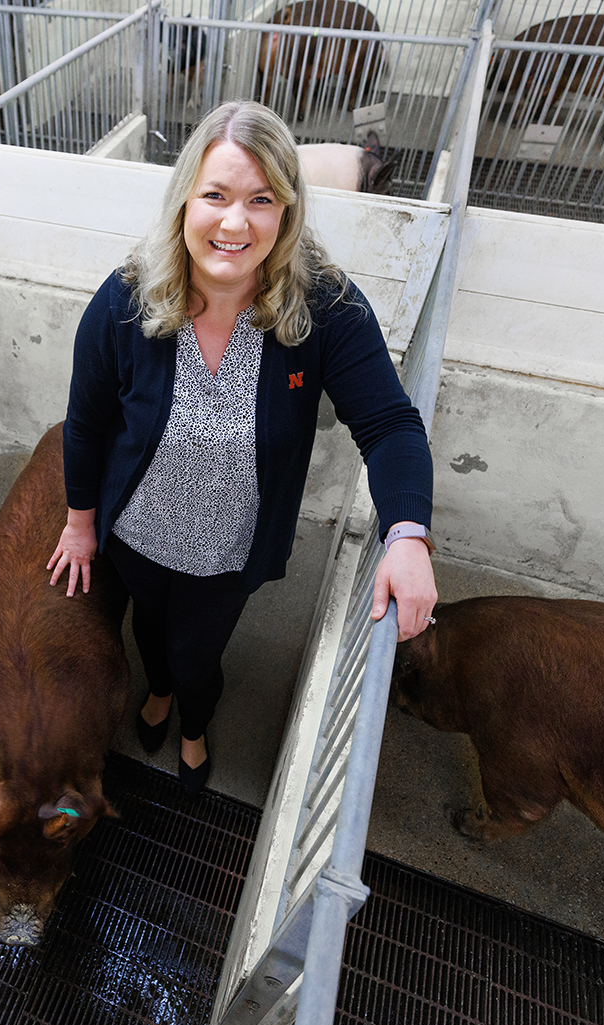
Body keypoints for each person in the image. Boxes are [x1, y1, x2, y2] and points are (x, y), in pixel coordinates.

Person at [47, 101, 436, 794]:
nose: (234, 223)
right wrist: (80, 525)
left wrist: (407, 532)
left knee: (198, 655)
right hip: (137, 534)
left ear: (286, 210)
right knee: (150, 636)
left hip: (229, 550)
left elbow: (389, 426)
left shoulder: (325, 309)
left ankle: (192, 721)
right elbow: (85, 422)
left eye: (261, 200)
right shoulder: (126, 298)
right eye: (216, 196)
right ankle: (157, 690)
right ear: (184, 201)